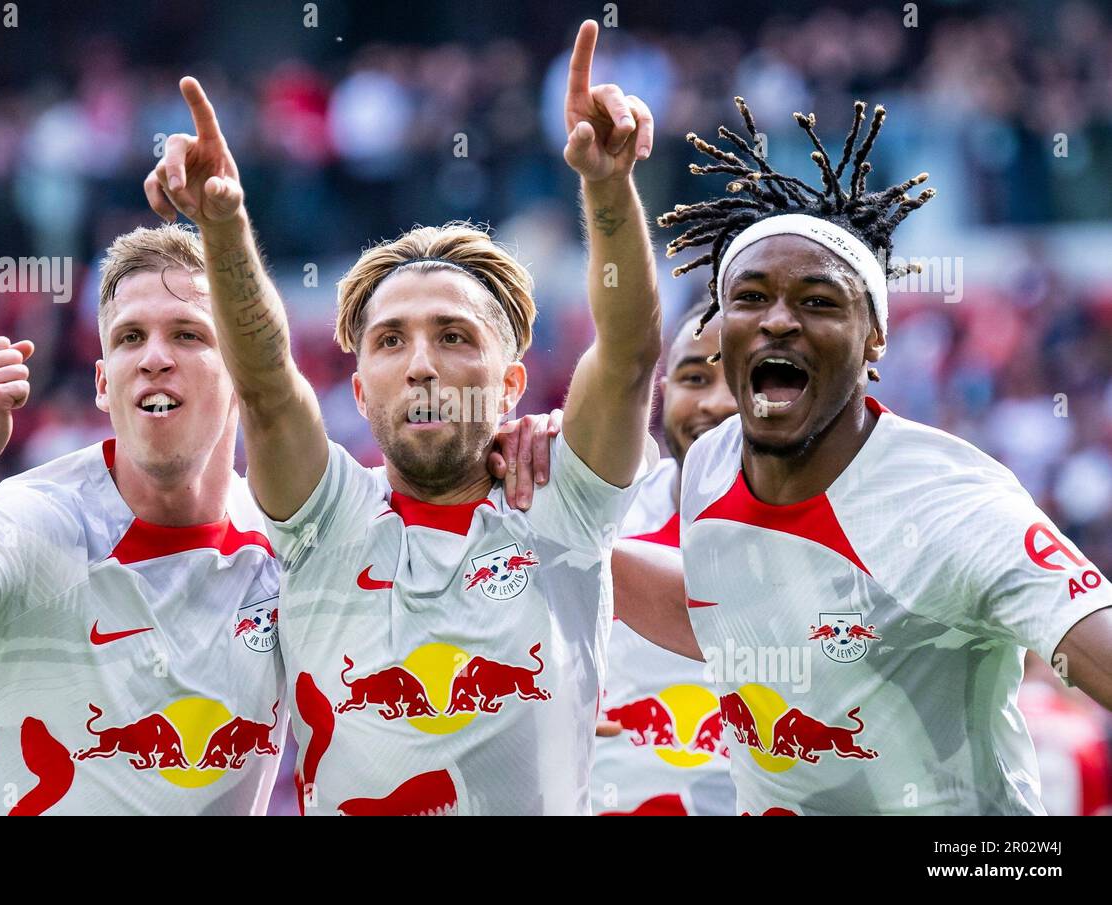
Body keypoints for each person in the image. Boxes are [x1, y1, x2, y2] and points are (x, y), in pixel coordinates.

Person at [0, 224, 554, 815]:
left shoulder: (299, 541)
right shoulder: (36, 518)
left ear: (239, 374)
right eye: (129, 338)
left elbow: (434, 511)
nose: (154, 357)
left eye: (188, 334)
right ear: (104, 383)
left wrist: (521, 436)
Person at [145, 19, 661, 814]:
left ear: (512, 383)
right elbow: (268, 389)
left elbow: (627, 355)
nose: (420, 361)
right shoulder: (325, 523)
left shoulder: (563, 504)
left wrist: (607, 186)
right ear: (357, 391)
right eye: (389, 340)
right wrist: (222, 227)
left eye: (454, 336)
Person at [661, 97, 1112, 814]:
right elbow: (715, 607)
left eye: (818, 301)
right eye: (750, 297)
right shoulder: (711, 463)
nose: (778, 319)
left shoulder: (955, 505)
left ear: (875, 341)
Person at [593, 304, 739, 816]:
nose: (718, 403)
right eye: (694, 377)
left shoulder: (851, 547)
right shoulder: (596, 519)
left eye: (747, 377)